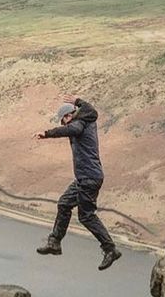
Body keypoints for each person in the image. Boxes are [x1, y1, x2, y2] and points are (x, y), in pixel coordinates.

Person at [34, 96, 121, 270]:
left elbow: (71, 129)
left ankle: (110, 249)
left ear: (70, 115)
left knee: (86, 216)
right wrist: (78, 100)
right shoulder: (85, 118)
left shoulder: (80, 124)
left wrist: (47, 133)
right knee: (64, 203)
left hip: (89, 178)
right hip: (84, 178)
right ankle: (55, 243)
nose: (65, 123)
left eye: (65, 119)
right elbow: (89, 109)